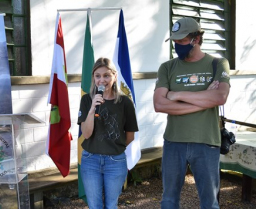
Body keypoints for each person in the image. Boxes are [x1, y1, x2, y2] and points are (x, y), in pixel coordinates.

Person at [153, 17, 231, 209]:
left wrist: (176, 94)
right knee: (169, 200)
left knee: (210, 202)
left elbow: (220, 97)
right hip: (173, 142)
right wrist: (204, 98)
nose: (176, 44)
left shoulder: (218, 63)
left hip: (206, 142)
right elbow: (159, 104)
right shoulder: (167, 67)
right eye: (175, 40)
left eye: (181, 40)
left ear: (196, 39)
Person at [78, 57, 139, 209]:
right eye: (97, 76)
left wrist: (112, 148)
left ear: (114, 76)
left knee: (112, 205)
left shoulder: (125, 103)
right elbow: (86, 134)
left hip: (115, 161)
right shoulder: (87, 100)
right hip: (90, 160)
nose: (102, 80)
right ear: (93, 77)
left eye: (106, 75)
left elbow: (130, 136)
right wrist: (92, 109)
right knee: (95, 205)